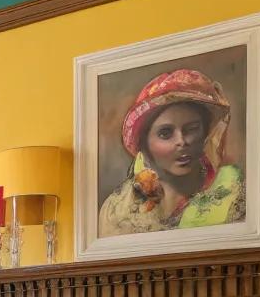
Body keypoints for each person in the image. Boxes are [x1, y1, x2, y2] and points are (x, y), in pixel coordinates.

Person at [98, 67, 244, 236]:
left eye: (192, 129)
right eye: (165, 133)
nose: (182, 141)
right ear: (144, 144)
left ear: (205, 133)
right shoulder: (116, 211)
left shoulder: (233, 194)